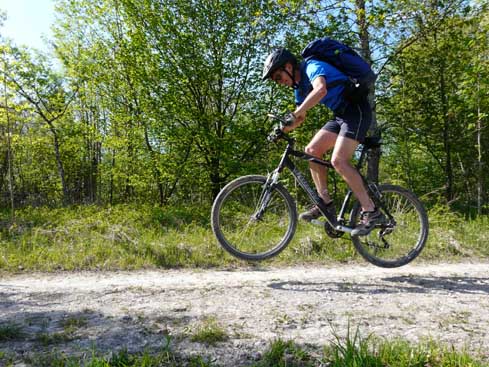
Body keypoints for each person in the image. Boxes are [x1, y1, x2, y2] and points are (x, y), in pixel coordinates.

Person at [262, 47, 383, 236]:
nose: (280, 82)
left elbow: (320, 90)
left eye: (278, 77)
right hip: (341, 116)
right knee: (311, 150)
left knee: (338, 161)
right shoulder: (299, 86)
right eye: (276, 81)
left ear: (288, 66)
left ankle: (371, 211)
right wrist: (282, 129)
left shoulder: (312, 66)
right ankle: (324, 203)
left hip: (356, 111)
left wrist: (296, 113)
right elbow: (299, 118)